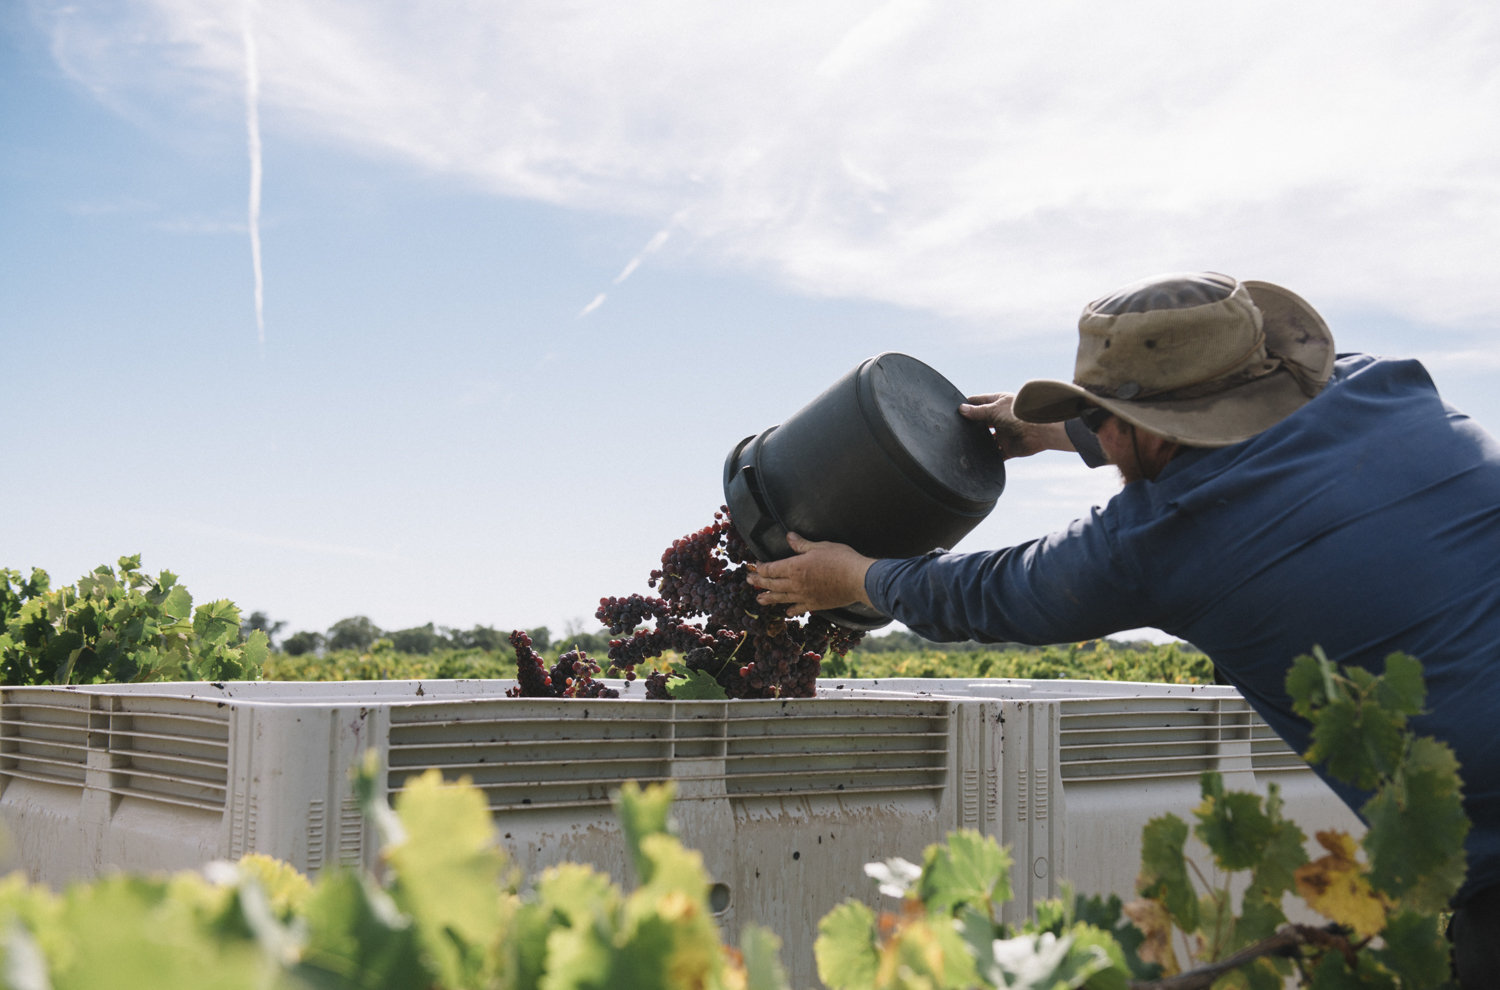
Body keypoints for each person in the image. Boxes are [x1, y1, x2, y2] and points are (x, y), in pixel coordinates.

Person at [745, 272, 1500, 986]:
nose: (1099, 437)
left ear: (1150, 429)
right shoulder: (1378, 383)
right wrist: (1047, 429)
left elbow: (992, 591)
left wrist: (856, 577)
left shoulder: (1168, 539)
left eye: (1107, 419)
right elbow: (1214, 418)